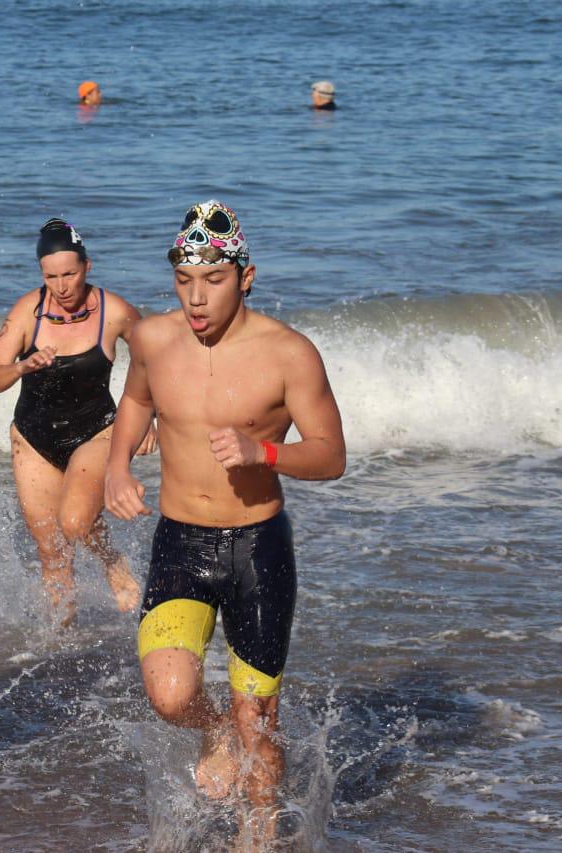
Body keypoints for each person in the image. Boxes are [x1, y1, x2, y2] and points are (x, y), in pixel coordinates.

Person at [104, 200, 345, 839]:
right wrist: (117, 467)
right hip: (181, 540)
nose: (197, 298)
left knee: (258, 722)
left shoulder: (289, 354)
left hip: (258, 550)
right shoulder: (154, 339)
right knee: (171, 693)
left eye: (212, 281)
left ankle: (256, 835)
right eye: (185, 282)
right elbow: (135, 401)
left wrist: (263, 451)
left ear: (246, 275)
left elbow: (331, 456)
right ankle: (213, 733)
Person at [0, 218, 154, 626]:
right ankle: (62, 642)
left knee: (75, 522)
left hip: (98, 430)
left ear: (87, 267)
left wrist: (151, 416)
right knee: (52, 553)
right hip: (33, 438)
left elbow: (156, 356)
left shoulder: (115, 312)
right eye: (51, 276)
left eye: (70, 275)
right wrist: (24, 365)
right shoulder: (29, 311)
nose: (61, 286)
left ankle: (112, 561)